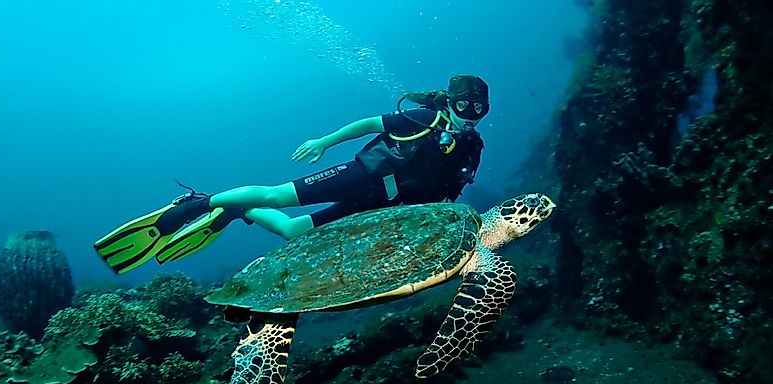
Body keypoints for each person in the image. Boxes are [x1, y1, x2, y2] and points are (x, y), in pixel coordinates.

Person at [95, 75, 490, 274]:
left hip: (385, 206)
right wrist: (325, 141)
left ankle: (237, 213)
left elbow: (450, 190)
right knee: (275, 196)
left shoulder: (474, 147)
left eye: (478, 109)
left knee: (292, 231)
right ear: (450, 101)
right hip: (363, 178)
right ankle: (201, 203)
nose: (469, 115)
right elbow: (370, 123)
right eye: (463, 105)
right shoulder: (422, 118)